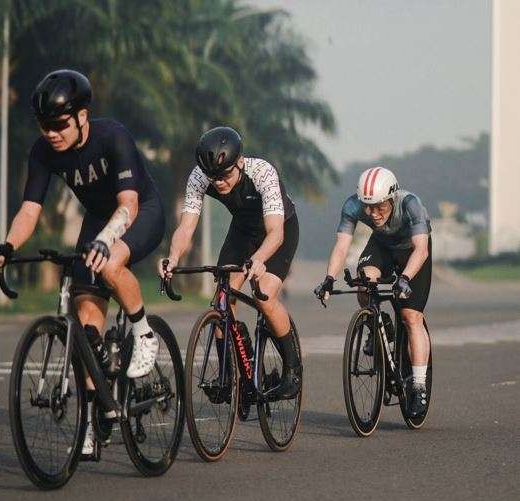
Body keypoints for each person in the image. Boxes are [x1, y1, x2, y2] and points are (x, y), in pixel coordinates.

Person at [0, 69, 165, 455]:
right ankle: (92, 419)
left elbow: (128, 204)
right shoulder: (43, 151)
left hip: (139, 211)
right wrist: (7, 246)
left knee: (112, 263)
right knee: (85, 322)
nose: (51, 132)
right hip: (97, 219)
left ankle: (144, 332)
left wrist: (105, 240)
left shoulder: (112, 136)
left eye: (59, 124)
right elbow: (30, 211)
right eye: (44, 125)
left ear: (82, 116)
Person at [159, 126, 301, 399]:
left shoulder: (262, 173)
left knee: (264, 296)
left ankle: (293, 369)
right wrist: (173, 258)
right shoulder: (200, 176)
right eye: (213, 177)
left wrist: (258, 260)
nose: (218, 182)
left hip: (279, 229)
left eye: (224, 176)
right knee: (222, 300)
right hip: (243, 230)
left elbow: (276, 234)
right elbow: (186, 227)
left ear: (239, 162)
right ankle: (237, 370)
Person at [314, 167, 432, 417]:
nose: (373, 214)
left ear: (392, 198)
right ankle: (378, 321)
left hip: (412, 251)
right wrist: (329, 278)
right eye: (368, 207)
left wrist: (406, 278)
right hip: (382, 246)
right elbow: (342, 245)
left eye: (380, 207)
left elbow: (421, 250)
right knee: (364, 281)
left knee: (411, 317)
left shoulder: (411, 204)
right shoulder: (353, 205)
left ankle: (419, 385)